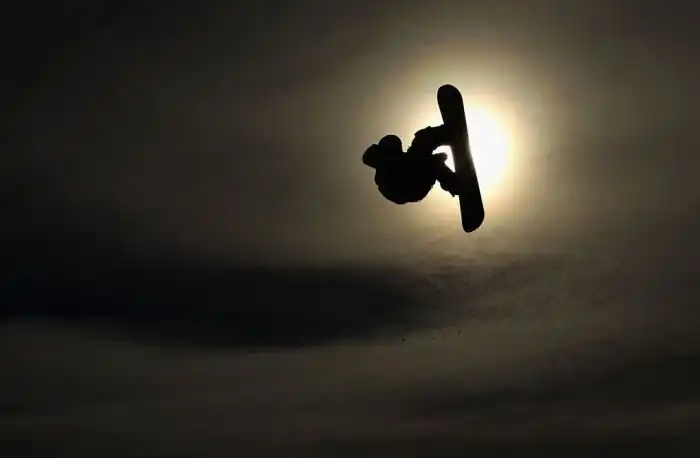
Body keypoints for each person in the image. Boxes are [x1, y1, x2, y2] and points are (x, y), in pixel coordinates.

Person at [362, 126, 460, 204]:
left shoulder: (395, 160)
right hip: (415, 185)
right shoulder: (386, 171)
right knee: (423, 141)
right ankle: (453, 183)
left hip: (416, 183)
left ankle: (452, 183)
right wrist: (433, 160)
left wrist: (434, 160)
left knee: (423, 143)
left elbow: (416, 159)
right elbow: (414, 164)